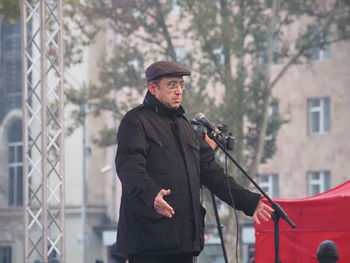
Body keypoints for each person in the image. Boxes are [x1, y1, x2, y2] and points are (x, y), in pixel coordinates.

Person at [114, 60, 274, 263]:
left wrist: (250, 201)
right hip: (149, 238)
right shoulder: (135, 121)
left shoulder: (185, 127)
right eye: (172, 85)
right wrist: (151, 193)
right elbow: (129, 167)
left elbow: (212, 174)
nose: (179, 91)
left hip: (184, 240)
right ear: (152, 88)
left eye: (181, 85)